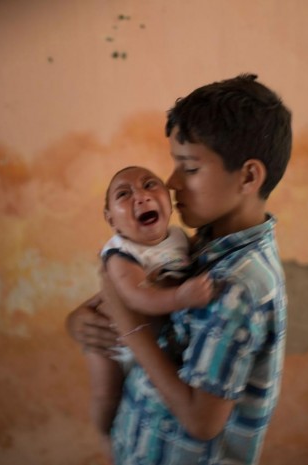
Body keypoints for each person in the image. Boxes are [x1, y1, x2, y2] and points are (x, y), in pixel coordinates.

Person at [66, 73, 292, 465]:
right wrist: (84, 319)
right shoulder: (206, 242)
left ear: (248, 176)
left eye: (188, 167)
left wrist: (131, 329)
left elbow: (201, 422)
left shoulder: (238, 285)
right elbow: (142, 292)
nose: (170, 183)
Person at [86, 165, 214, 462]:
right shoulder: (120, 254)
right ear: (111, 219)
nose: (141, 197)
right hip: (112, 342)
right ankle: (105, 434)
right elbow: (136, 297)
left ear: (168, 202)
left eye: (149, 185)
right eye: (124, 194)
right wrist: (180, 296)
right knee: (106, 394)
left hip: (146, 339)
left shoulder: (179, 238)